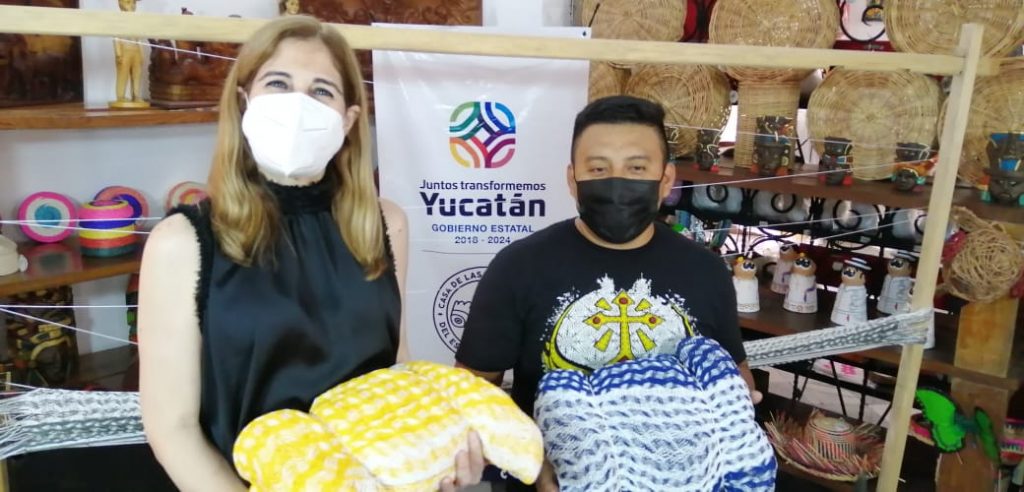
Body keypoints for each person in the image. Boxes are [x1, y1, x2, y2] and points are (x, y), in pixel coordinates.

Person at [138, 16, 482, 491]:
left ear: (348, 120)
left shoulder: (385, 225)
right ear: (244, 101)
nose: (297, 104)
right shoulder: (182, 242)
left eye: (321, 91)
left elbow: (396, 368)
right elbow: (172, 429)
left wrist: (435, 462)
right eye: (278, 84)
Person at [455, 95, 760, 492]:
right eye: (598, 169)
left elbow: (734, 377)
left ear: (666, 179)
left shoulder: (706, 272)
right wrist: (532, 461)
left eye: (637, 168)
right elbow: (472, 395)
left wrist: (740, 405)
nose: (617, 183)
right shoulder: (518, 267)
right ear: (572, 179)